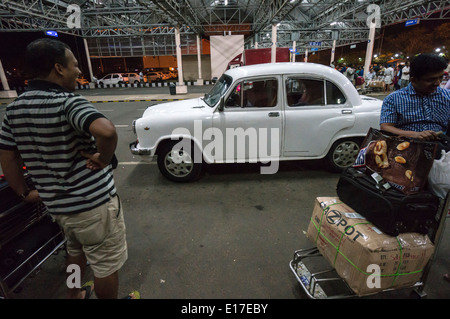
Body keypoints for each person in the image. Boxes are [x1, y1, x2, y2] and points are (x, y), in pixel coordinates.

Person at [0, 38, 135, 299]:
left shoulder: (14, 110)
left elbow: (8, 155)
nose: (79, 71)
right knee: (105, 264)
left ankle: (74, 294)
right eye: (74, 65)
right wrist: (104, 159)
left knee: (74, 251)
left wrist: (24, 193)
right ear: (58, 68)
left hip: (60, 209)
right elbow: (106, 132)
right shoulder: (67, 102)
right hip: (92, 207)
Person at [380, 53, 450, 140]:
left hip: (441, 147)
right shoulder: (393, 99)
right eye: (430, 80)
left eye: (440, 78)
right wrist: (413, 135)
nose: (437, 83)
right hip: (405, 146)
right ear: (413, 80)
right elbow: (385, 127)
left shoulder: (447, 96)